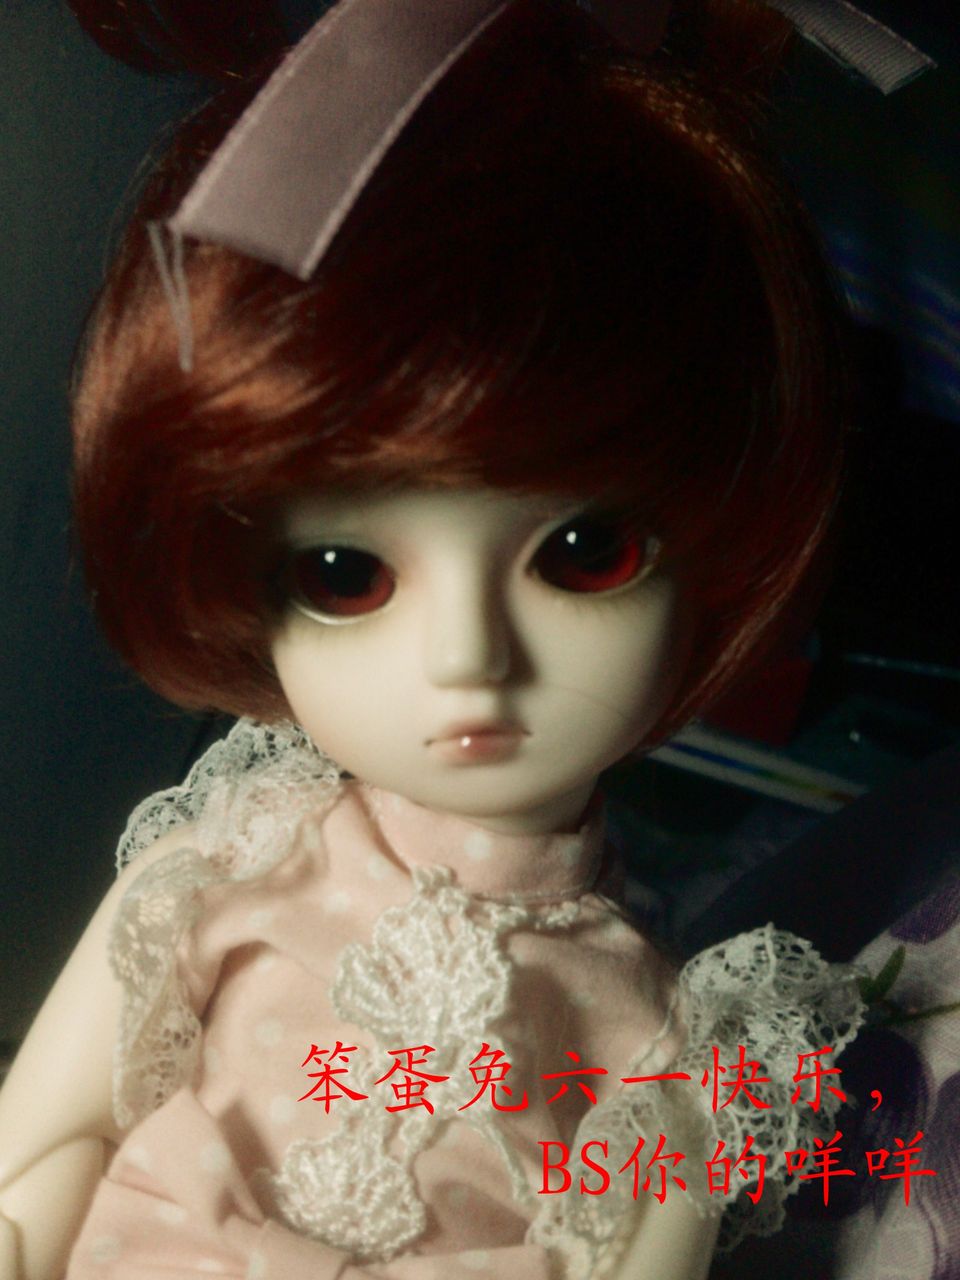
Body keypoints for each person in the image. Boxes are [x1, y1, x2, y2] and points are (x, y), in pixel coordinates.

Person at [0, 0, 902, 1274]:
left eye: (585, 554)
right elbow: (40, 1136)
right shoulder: (233, 861)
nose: (470, 656)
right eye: (346, 574)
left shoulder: (680, 1041)